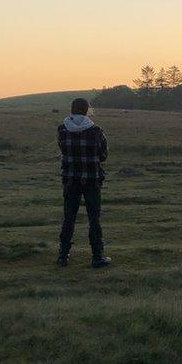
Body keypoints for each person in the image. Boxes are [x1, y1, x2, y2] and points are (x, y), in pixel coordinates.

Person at [57, 98, 111, 268]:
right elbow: (103, 155)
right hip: (92, 179)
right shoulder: (96, 131)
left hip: (70, 179)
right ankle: (97, 256)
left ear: (71, 110)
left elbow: (62, 149)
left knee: (69, 218)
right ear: (87, 110)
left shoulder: (62, 129)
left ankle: (63, 256)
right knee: (94, 218)